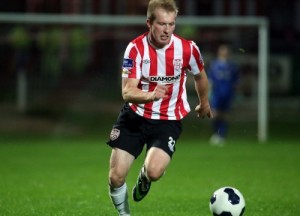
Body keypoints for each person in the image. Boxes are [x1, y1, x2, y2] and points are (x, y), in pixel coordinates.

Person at [106, 0, 213, 215]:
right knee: (116, 177)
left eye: (171, 24)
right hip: (135, 117)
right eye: (162, 24)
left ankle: (145, 177)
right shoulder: (135, 49)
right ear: (149, 23)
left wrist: (204, 102)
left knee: (154, 172)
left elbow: (200, 76)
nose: (167, 30)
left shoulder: (187, 48)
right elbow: (127, 92)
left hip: (168, 120)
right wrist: (151, 95)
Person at [208, 44, 239, 146]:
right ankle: (216, 134)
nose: (224, 52)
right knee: (215, 114)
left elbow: (236, 81)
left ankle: (222, 135)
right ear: (219, 52)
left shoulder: (232, 66)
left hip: (228, 93)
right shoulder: (214, 65)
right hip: (217, 93)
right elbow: (210, 80)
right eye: (223, 50)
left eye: (226, 50)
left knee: (225, 115)